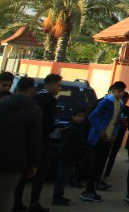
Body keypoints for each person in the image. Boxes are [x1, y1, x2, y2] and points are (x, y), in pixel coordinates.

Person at [14, 73, 62, 212]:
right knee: (39, 174)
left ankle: (18, 203)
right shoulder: (50, 100)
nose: (59, 88)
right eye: (58, 85)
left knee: (23, 175)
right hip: (42, 141)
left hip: (26, 140)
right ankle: (34, 203)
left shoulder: (35, 97)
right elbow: (48, 123)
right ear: (51, 85)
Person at [0, 76, 42, 212]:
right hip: (14, 161)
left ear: (16, 87)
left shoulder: (2, 103)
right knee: (3, 199)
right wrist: (34, 163)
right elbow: (34, 139)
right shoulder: (33, 109)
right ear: (32, 90)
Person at [80, 81, 126, 203]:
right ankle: (88, 191)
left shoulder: (120, 103)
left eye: (123, 91)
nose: (121, 94)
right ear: (113, 91)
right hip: (97, 138)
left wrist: (114, 133)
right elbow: (92, 117)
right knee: (94, 164)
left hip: (108, 138)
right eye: (119, 91)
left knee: (99, 164)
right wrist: (101, 130)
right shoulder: (106, 102)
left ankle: (92, 190)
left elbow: (117, 121)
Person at [52, 108, 88, 206]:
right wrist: (68, 157)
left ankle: (60, 195)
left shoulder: (78, 127)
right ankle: (57, 198)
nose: (81, 118)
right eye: (78, 116)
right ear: (73, 117)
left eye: (83, 116)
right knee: (62, 178)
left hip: (72, 157)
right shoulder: (70, 129)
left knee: (65, 177)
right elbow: (66, 146)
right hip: (66, 157)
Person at [103, 91, 129, 179]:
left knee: (113, 154)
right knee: (105, 153)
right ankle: (100, 172)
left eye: (126, 101)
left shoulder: (128, 110)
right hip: (110, 132)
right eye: (123, 100)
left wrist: (126, 124)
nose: (124, 102)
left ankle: (107, 174)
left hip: (120, 133)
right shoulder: (114, 106)